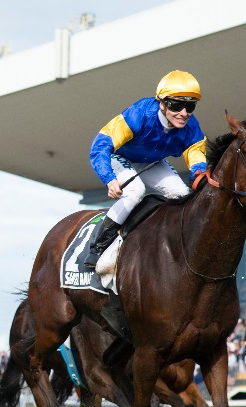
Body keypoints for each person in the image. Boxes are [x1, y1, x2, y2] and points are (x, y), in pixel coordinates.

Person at [84, 70, 208, 270]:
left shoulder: (191, 127)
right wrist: (109, 178)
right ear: (162, 103)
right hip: (120, 156)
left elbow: (196, 155)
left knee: (183, 195)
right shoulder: (139, 114)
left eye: (190, 106)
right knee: (136, 191)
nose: (184, 113)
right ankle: (98, 247)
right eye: (177, 105)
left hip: (151, 161)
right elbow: (100, 146)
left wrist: (199, 175)